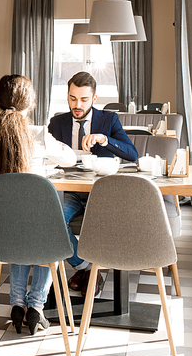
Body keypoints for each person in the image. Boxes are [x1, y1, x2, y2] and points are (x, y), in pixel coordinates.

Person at [0, 74, 76, 335]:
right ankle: (36, 306)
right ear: (30, 104)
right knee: (43, 234)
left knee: (20, 229)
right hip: (36, 227)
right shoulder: (39, 134)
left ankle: (17, 303)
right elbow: (71, 159)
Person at [48, 71, 138, 297]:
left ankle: (85, 272)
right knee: (52, 220)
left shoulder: (109, 120)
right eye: (72, 98)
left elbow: (132, 154)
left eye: (84, 99)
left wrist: (103, 139)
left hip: (102, 193)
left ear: (94, 98)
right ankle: (86, 268)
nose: (77, 105)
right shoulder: (57, 123)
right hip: (69, 191)